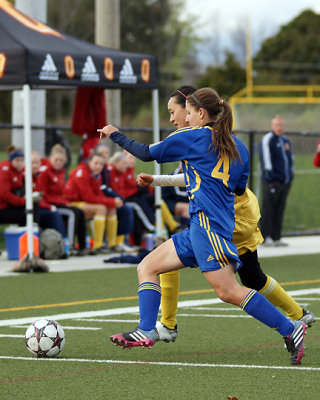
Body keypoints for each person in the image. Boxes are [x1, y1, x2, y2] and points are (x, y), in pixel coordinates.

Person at [98, 87, 307, 366]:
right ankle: (147, 329)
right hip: (205, 224)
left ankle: (290, 328)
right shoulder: (237, 146)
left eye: (184, 109)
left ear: (199, 112)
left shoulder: (191, 136)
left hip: (209, 227)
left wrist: (114, 134)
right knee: (147, 266)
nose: (179, 116)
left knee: (229, 291)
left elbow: (146, 153)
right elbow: (238, 186)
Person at [64, 152, 123, 252]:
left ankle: (112, 244)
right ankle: (97, 245)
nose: (98, 166)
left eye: (101, 164)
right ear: (89, 162)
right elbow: (89, 197)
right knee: (101, 208)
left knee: (111, 209)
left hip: (83, 202)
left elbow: (98, 194)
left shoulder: (96, 174)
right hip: (71, 203)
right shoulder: (82, 173)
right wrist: (111, 201)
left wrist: (112, 202)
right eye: (96, 163)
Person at [37, 144, 87, 256]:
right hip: (49, 204)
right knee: (71, 213)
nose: (59, 162)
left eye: (61, 160)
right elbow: (43, 194)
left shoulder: (60, 173)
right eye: (56, 160)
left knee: (80, 212)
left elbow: (59, 194)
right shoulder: (45, 172)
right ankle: (68, 245)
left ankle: (82, 246)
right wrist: (54, 205)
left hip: (58, 202)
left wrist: (64, 202)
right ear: (50, 158)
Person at [259, 116, 294, 246]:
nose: (279, 127)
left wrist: (289, 177)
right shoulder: (268, 140)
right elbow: (266, 160)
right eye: (277, 125)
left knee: (280, 208)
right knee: (268, 208)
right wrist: (270, 179)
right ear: (272, 126)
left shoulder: (286, 141)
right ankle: (265, 236)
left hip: (284, 182)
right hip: (272, 181)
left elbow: (290, 161)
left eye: (281, 125)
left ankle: (276, 236)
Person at [94, 144, 135, 252]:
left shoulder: (106, 169)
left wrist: (117, 199)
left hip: (103, 200)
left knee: (125, 208)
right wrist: (115, 199)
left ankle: (116, 243)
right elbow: (100, 189)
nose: (105, 155)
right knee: (120, 208)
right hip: (96, 201)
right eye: (102, 153)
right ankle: (98, 245)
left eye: (106, 153)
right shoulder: (97, 169)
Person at [0, 146, 28, 225]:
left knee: (33, 207)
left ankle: (33, 232)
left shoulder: (20, 172)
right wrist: (23, 201)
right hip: (2, 208)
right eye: (17, 160)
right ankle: (24, 235)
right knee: (26, 215)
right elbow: (4, 194)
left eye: (21, 160)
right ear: (11, 161)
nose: (20, 163)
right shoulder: (4, 172)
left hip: (10, 205)